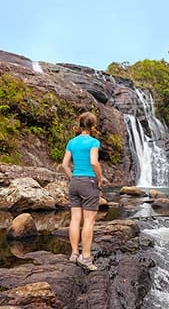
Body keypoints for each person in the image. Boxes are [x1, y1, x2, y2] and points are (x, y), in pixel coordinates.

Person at [62, 111, 103, 271]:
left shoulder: (72, 142)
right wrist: (99, 178)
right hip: (89, 181)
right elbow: (94, 162)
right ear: (93, 126)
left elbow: (64, 164)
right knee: (89, 222)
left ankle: (74, 254)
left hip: (75, 182)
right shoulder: (94, 142)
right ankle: (86, 257)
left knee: (74, 219)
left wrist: (73, 177)